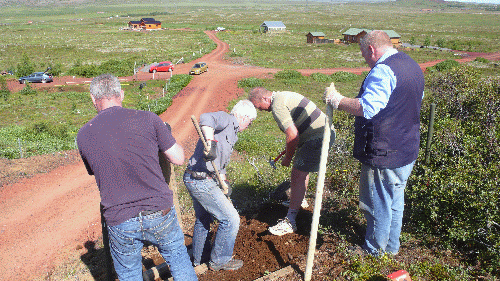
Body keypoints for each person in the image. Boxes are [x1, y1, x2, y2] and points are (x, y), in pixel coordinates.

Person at [77, 74, 197, 280]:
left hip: (120, 218)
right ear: (121, 94)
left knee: (129, 274)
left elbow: (97, 169)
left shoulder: (84, 135)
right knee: (178, 260)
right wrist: (164, 136)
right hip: (159, 210)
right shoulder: (148, 119)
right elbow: (178, 158)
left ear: (92, 98)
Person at [324, 30, 425, 256]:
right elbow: (412, 102)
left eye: (364, 55)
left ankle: (374, 252)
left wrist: (337, 100)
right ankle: (391, 249)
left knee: (377, 204)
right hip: (407, 149)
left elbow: (367, 108)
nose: (365, 61)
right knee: (395, 201)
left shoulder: (383, 71)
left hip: (384, 152)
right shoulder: (411, 65)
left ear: (371, 49)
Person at [248, 87, 335, 236]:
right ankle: (299, 201)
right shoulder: (283, 94)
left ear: (264, 99)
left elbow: (293, 135)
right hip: (324, 132)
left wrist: (288, 158)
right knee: (301, 170)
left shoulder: (277, 106)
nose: (260, 110)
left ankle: (290, 221)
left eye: (258, 107)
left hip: (319, 137)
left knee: (297, 174)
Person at [184, 100, 257, 271]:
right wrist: (210, 143)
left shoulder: (233, 134)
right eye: (250, 121)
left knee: (204, 219)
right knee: (231, 219)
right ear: (244, 116)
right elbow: (205, 118)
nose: (249, 125)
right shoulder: (227, 119)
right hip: (200, 180)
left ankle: (199, 257)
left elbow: (220, 165)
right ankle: (220, 260)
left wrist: (224, 183)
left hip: (197, 177)